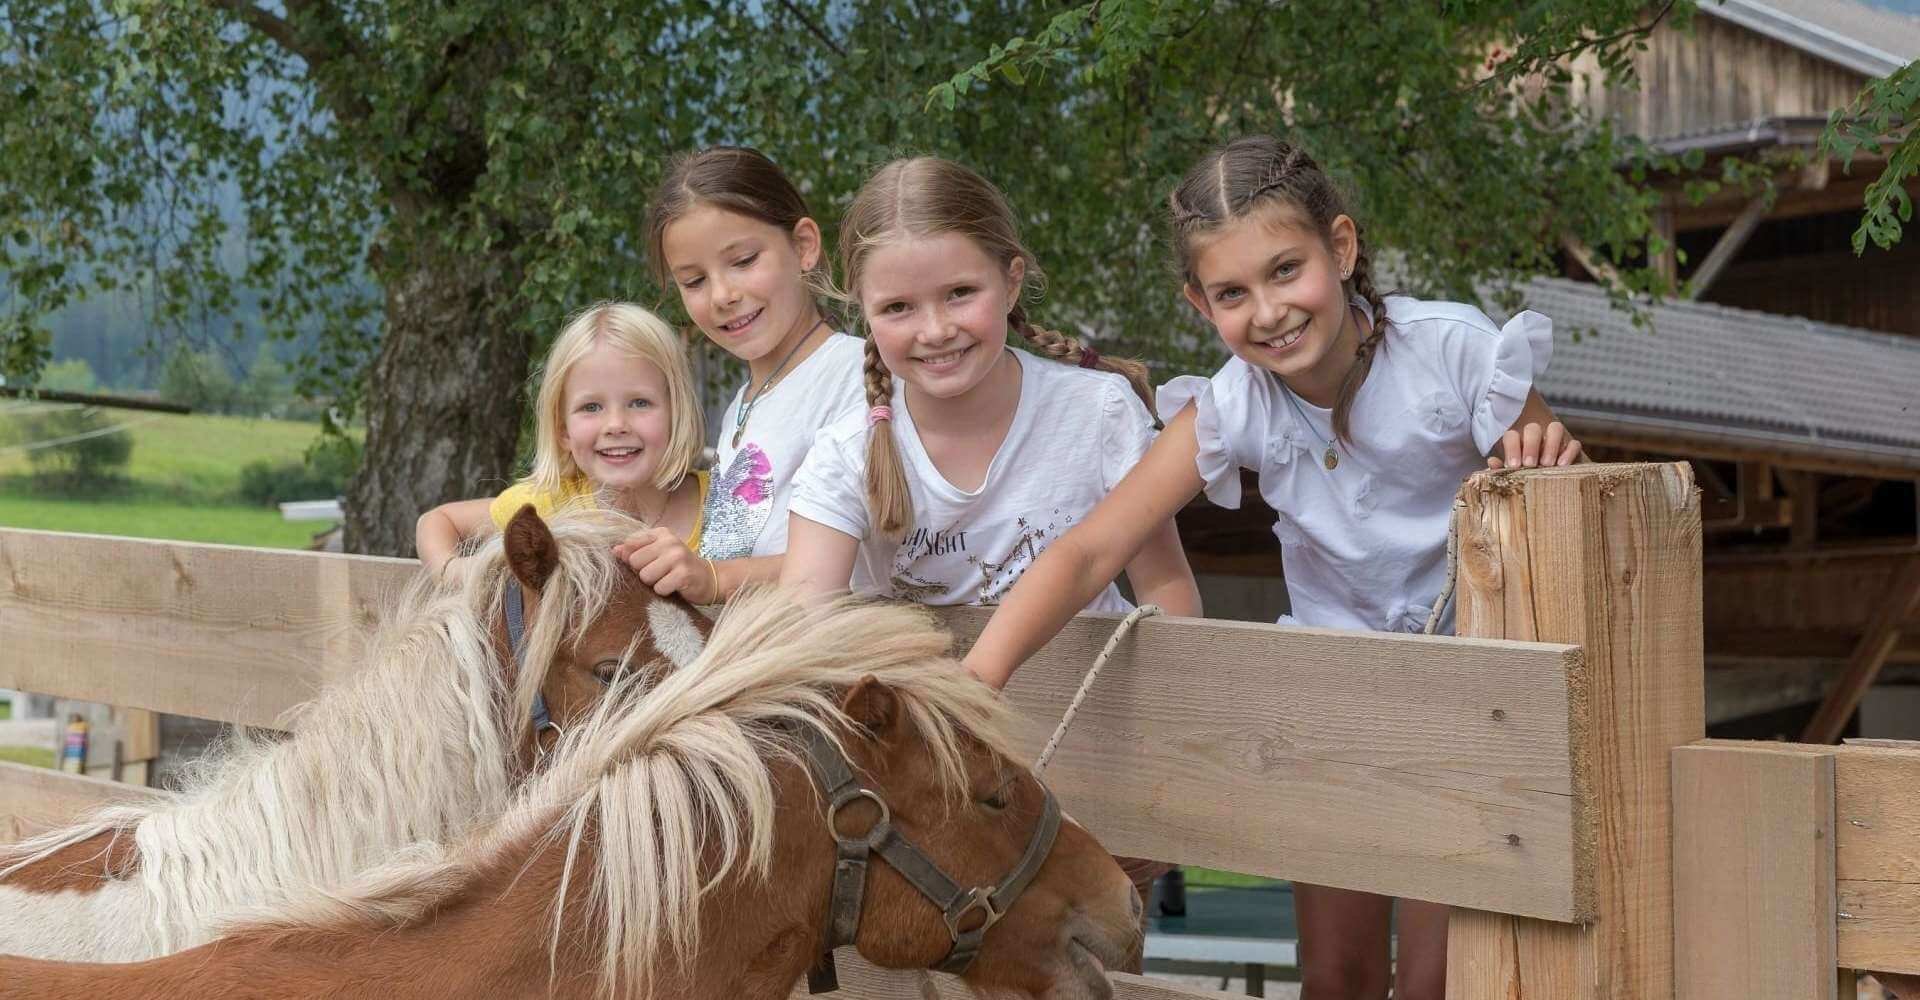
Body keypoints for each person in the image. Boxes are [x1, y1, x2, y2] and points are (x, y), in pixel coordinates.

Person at [960, 135, 1582, 1000]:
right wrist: (975, 682)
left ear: (1343, 247)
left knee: (1445, 980)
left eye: (1287, 270)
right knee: (1337, 977)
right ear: (1197, 302)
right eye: (1231, 293)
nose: (1268, 310)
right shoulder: (1237, 404)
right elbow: (1092, 548)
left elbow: (1568, 493)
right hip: (1333, 697)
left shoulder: (1455, 353)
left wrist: (1551, 459)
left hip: (1472, 703)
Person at [618, 146, 866, 599]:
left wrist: (714, 578)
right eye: (694, 281)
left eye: (744, 261)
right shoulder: (741, 405)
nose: (722, 295)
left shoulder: (857, 376)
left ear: (804, 246)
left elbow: (867, 562)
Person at [415, 302, 707, 576]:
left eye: (640, 402)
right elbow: (439, 521)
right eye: (591, 407)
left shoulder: (725, 504)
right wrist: (455, 573)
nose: (616, 425)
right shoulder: (551, 505)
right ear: (563, 430)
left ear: (677, 412)